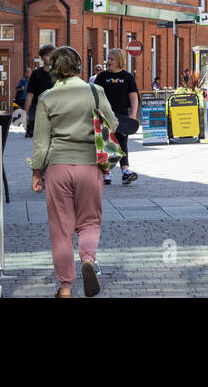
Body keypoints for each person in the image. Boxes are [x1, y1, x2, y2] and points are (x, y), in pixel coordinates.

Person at [30, 46, 117, 298]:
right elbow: (113, 123)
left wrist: (37, 173)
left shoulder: (47, 97)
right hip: (90, 165)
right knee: (90, 221)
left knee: (61, 228)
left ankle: (65, 287)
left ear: (53, 69)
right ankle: (88, 259)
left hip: (58, 167)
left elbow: (41, 142)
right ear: (79, 66)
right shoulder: (95, 91)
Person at [92, 48, 140, 186]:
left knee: (122, 142)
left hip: (122, 117)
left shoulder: (127, 77)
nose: (109, 61)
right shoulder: (101, 77)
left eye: (112, 59)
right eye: (108, 58)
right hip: (105, 116)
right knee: (106, 143)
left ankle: (125, 172)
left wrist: (132, 116)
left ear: (119, 60)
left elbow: (133, 97)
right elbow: (95, 95)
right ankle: (106, 173)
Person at [24, 44, 55, 138]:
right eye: (47, 55)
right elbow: (30, 94)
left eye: (52, 55)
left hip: (56, 109)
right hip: (40, 109)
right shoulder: (36, 74)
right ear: (42, 57)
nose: (50, 57)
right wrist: (25, 113)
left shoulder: (58, 73)